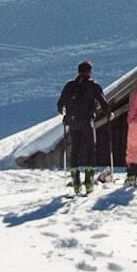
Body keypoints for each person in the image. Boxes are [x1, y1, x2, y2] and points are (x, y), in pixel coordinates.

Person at [56, 60, 107, 194]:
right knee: (90, 149)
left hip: (73, 122)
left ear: (78, 71)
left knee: (75, 149)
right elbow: (103, 102)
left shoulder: (69, 85)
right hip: (86, 121)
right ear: (90, 71)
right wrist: (108, 113)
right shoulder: (93, 86)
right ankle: (89, 182)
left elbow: (60, 104)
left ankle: (76, 182)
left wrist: (64, 112)